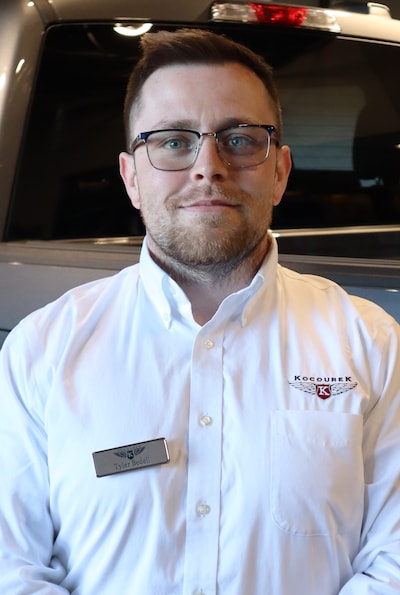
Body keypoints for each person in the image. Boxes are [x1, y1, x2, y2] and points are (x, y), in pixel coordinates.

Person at [0, 28, 399, 595]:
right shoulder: (42, 350)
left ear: (280, 172)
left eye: (239, 139)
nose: (208, 166)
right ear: (131, 177)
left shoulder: (372, 344)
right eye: (172, 141)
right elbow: (11, 568)